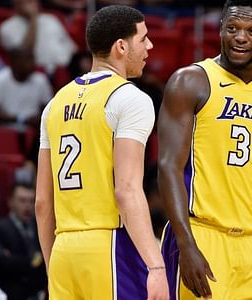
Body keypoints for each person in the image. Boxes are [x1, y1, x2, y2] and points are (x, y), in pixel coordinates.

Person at [35, 5, 169, 300]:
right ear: (121, 46)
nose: (150, 45)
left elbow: (43, 202)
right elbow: (127, 190)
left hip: (63, 250)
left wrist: (52, 266)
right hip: (110, 246)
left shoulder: (55, 103)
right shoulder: (131, 98)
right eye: (143, 38)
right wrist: (156, 266)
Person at [158, 0, 252, 299]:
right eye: (233, 28)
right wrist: (185, 244)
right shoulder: (191, 81)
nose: (241, 37)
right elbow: (168, 167)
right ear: (221, 30)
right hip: (203, 235)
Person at [0, 181, 46, 300]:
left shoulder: (41, 227)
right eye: (22, 200)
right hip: (9, 293)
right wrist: (34, 261)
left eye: (31, 201)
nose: (27, 205)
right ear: (10, 202)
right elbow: (2, 261)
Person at [0, 47, 52, 130]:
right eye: (27, 59)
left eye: (32, 59)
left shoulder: (40, 80)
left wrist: (39, 118)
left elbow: (49, 108)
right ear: (14, 62)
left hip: (35, 131)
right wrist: (19, 119)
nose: (32, 63)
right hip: (5, 130)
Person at [0, 0, 76, 75]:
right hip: (33, 75)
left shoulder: (51, 19)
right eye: (27, 2)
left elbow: (71, 47)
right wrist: (33, 18)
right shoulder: (7, 27)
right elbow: (25, 52)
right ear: (16, 4)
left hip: (63, 71)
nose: (32, 4)